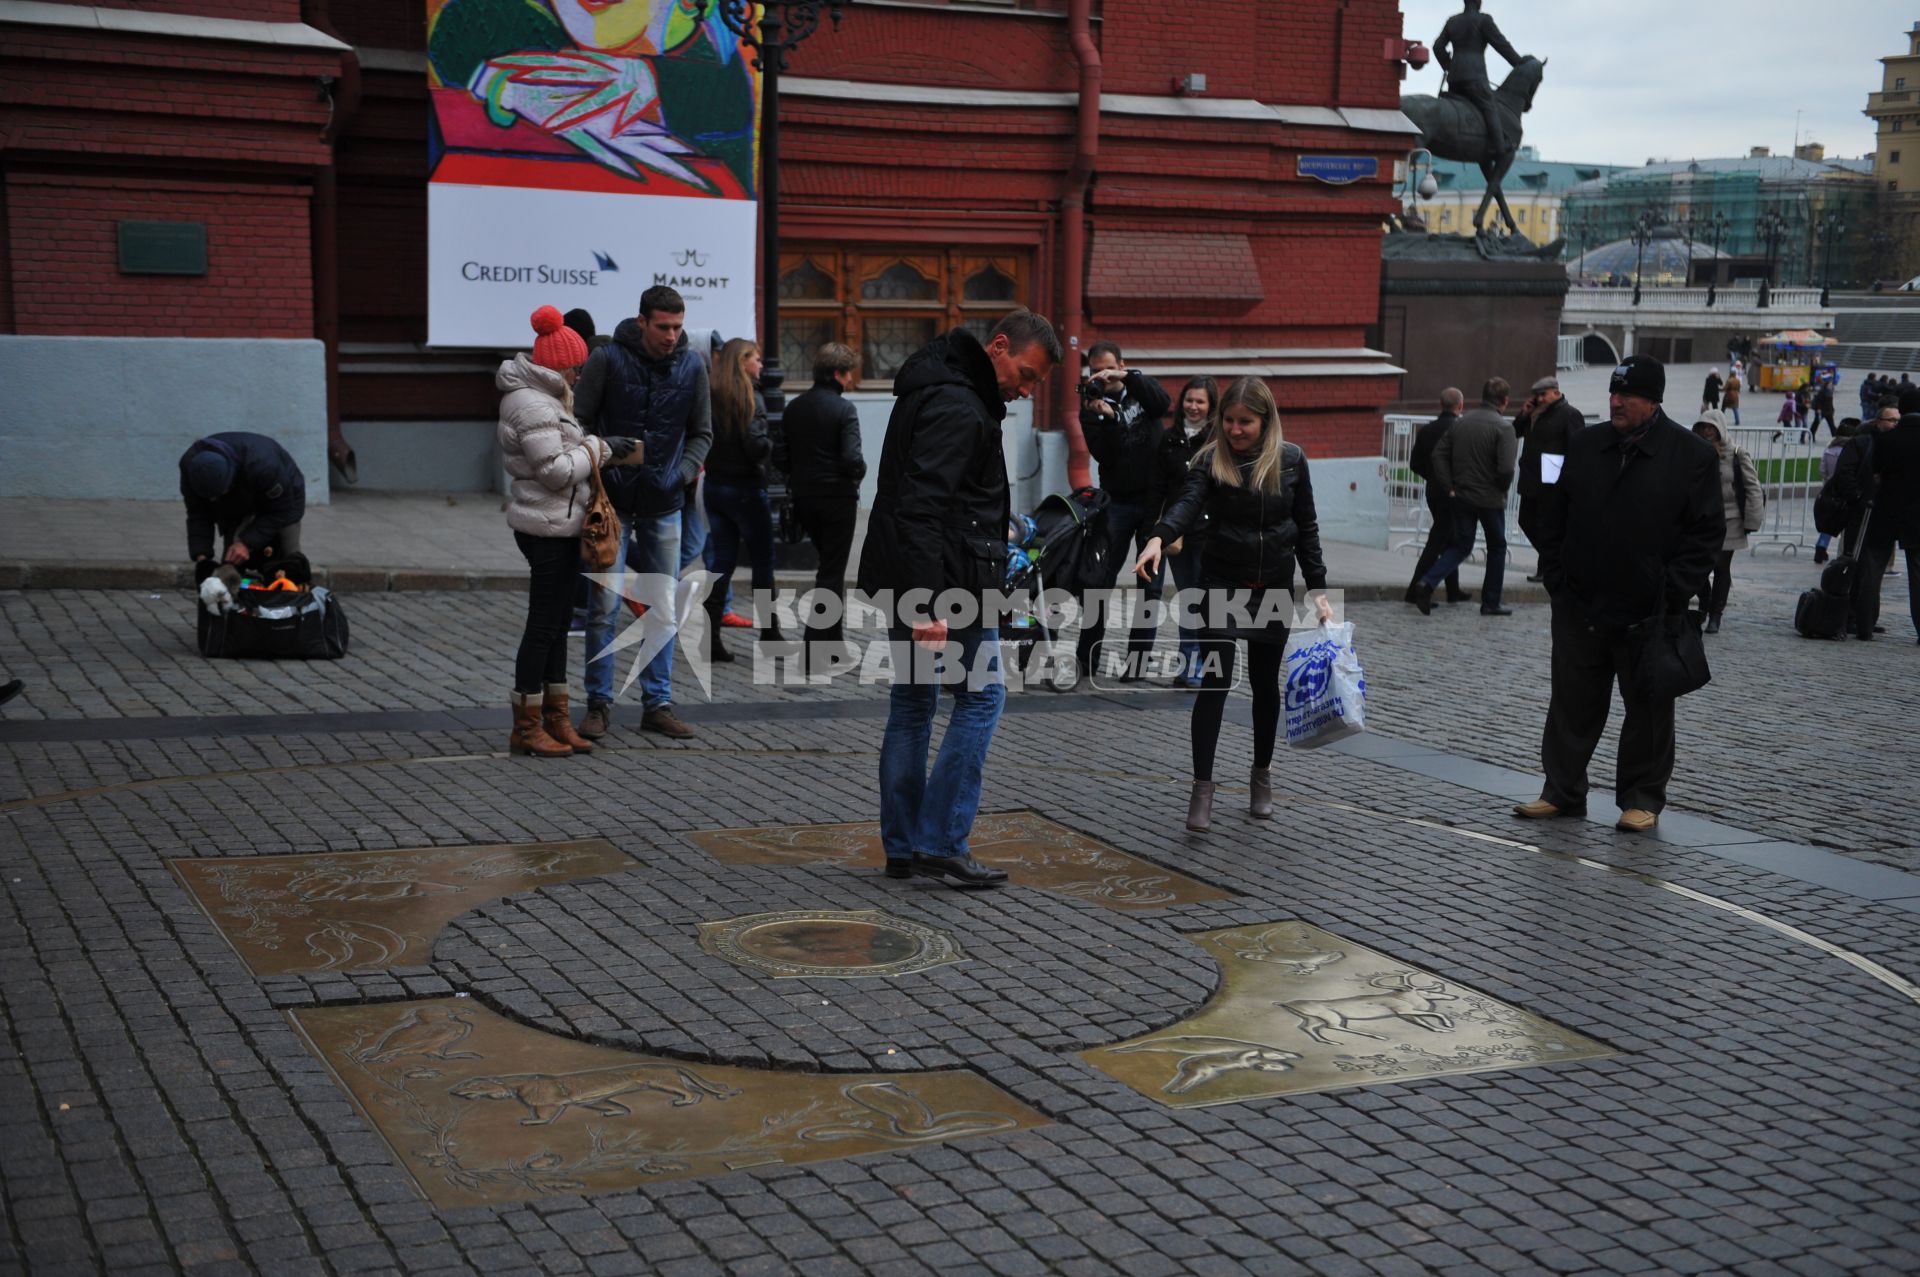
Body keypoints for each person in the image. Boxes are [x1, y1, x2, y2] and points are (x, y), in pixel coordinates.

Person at [858, 310, 1061, 887]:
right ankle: (941, 839)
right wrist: (928, 606)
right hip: (952, 584)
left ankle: (904, 847)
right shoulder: (958, 404)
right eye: (1025, 374)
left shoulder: (938, 384)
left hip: (927, 573)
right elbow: (923, 508)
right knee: (982, 698)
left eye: (1035, 385)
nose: (1024, 391)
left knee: (914, 705)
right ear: (998, 347)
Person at [1517, 356, 1723, 834]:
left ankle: (1642, 798)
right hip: (1581, 604)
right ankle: (1562, 791)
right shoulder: (1587, 445)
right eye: (1613, 392)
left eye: (1626, 394)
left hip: (1648, 613)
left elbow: (1706, 535)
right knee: (1572, 703)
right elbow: (1550, 514)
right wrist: (1556, 574)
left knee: (1648, 710)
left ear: (1654, 400)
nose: (1615, 401)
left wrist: (1672, 590)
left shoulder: (1692, 456)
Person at [1134, 376, 1331, 833]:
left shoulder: (1292, 461)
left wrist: (1318, 589)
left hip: (1273, 587)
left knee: (1265, 687)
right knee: (1215, 684)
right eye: (1230, 420)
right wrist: (1157, 540)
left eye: (1246, 422)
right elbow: (1184, 505)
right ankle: (1201, 788)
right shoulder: (1210, 459)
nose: (1235, 429)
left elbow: (1307, 529)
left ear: (1267, 421)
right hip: (1222, 583)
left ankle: (1261, 778)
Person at [496, 306, 642, 757]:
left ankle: (556, 718)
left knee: (558, 625)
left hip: (557, 522)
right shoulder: (533, 405)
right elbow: (555, 471)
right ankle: (526, 726)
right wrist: (601, 448)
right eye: (576, 367)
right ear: (560, 363)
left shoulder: (547, 398)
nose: (580, 375)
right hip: (547, 527)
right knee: (543, 627)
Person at [573, 285, 713, 741]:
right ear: (642, 322)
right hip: (611, 503)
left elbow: (702, 433)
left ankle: (658, 703)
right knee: (603, 606)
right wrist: (602, 459)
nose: (672, 335)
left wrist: (682, 472)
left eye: (677, 326)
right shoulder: (609, 359)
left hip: (665, 502)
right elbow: (580, 422)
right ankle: (598, 703)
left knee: (664, 608)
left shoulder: (692, 364)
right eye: (663, 327)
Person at [1075, 341, 1172, 682]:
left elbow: (1162, 404)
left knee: (1151, 584)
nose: (1101, 375)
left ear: (1120, 365)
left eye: (1107, 368)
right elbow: (1105, 455)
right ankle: (1087, 659)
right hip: (1116, 501)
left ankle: (1137, 664)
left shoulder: (1140, 388)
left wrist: (1129, 378)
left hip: (1153, 502)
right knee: (1098, 581)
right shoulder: (1090, 404)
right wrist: (1111, 418)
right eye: (1095, 370)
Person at [776, 341, 867, 658]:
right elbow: (852, 458)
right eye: (849, 374)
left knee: (829, 568)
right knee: (831, 572)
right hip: (837, 498)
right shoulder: (844, 409)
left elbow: (780, 456)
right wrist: (860, 473)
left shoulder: (795, 406)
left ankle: (833, 642)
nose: (851, 381)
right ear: (839, 374)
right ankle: (816, 645)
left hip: (804, 497)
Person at [1412, 377, 1518, 617]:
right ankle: (1491, 601)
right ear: (1505, 401)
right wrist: (1501, 487)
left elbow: (1439, 454)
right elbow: (1506, 468)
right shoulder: (1503, 427)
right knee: (1497, 546)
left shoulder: (1461, 423)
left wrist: (1449, 484)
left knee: (1460, 545)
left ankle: (1427, 582)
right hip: (1489, 498)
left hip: (1461, 495)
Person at [701, 337, 777, 664]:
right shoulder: (750, 396)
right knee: (763, 563)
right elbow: (755, 444)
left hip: (715, 486)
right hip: (746, 487)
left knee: (721, 563)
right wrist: (772, 447)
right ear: (742, 361)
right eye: (756, 359)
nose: (761, 365)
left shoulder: (709, 393)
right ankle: (770, 633)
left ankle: (710, 636)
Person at [1154, 376, 1219, 686]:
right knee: (1188, 598)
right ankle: (1187, 664)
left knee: (1207, 600)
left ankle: (1208, 664)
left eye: (1200, 401)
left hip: (1209, 532)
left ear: (1211, 406)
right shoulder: (1171, 438)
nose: (1193, 406)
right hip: (1178, 532)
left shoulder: (1218, 441)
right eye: (1189, 400)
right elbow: (1161, 484)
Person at [179, 431, 307, 567]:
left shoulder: (264, 466)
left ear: (231, 474)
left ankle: (294, 581)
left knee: (289, 557)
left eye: (220, 493)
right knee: (232, 559)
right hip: (237, 500)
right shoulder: (190, 467)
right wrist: (202, 559)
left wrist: (246, 543)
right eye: (210, 497)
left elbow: (281, 511)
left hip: (285, 496)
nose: (214, 499)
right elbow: (198, 513)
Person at [1688, 409, 1763, 635]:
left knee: (1721, 566)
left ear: (1720, 429)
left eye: (1711, 427)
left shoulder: (1737, 454)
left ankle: (1715, 614)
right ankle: (1705, 602)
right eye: (1703, 428)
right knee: (1697, 566)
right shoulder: (1694, 452)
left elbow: (1753, 487)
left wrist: (1752, 519)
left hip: (1729, 519)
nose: (1707, 432)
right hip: (1701, 519)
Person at [1858, 391, 1920, 642]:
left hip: (1886, 509)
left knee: (1873, 570)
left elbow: (1874, 470)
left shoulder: (1886, 439)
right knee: (1918, 574)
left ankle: (1864, 625)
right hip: (1917, 514)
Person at [1433, 0, 1526, 157]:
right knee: (1489, 105)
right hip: (1474, 76)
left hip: (1455, 78)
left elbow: (1437, 47)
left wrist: (1448, 65)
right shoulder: (1484, 20)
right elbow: (1501, 45)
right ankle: (1499, 147)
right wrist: (1519, 62)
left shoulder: (1453, 21)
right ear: (1478, 2)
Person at [1404, 388, 1471, 606]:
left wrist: (1432, 477)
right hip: (1453, 491)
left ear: (1441, 405)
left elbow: (1415, 464)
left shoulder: (1428, 430)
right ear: (1460, 405)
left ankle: (1453, 590)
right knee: (1439, 541)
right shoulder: (1460, 429)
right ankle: (1415, 589)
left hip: (1434, 490)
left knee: (1449, 537)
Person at [1513, 374, 1585, 568]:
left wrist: (1568, 478)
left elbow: (1576, 449)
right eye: (1537, 396)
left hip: (1553, 482)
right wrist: (1523, 415)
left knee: (1547, 528)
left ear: (1556, 392)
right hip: (1531, 479)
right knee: (1526, 521)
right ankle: (1551, 561)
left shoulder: (1569, 414)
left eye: (1543, 395)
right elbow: (1515, 431)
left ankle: (1549, 565)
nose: (1540, 399)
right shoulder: (1535, 413)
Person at [1813, 419, 1861, 565]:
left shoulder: (1829, 450)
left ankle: (1821, 548)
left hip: (1830, 490)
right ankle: (1844, 553)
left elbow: (1822, 470)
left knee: (1829, 521)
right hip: (1845, 491)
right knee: (1846, 523)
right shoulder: (1851, 451)